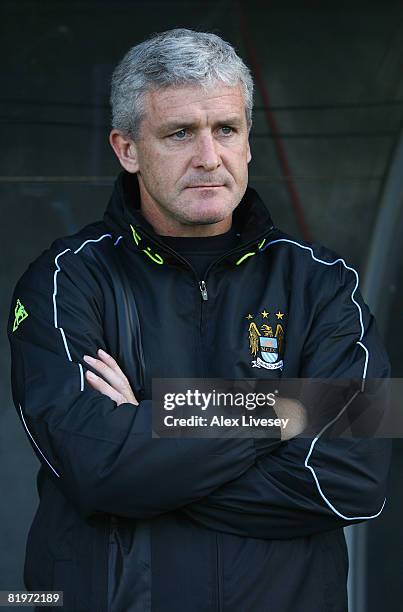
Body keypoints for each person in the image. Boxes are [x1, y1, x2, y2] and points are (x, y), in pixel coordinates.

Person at [8, 28, 391, 612]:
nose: (209, 157)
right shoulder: (66, 280)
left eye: (226, 130)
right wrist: (284, 411)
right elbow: (95, 467)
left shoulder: (324, 284)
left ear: (248, 142)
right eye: (180, 132)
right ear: (127, 148)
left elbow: (349, 481)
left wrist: (152, 417)